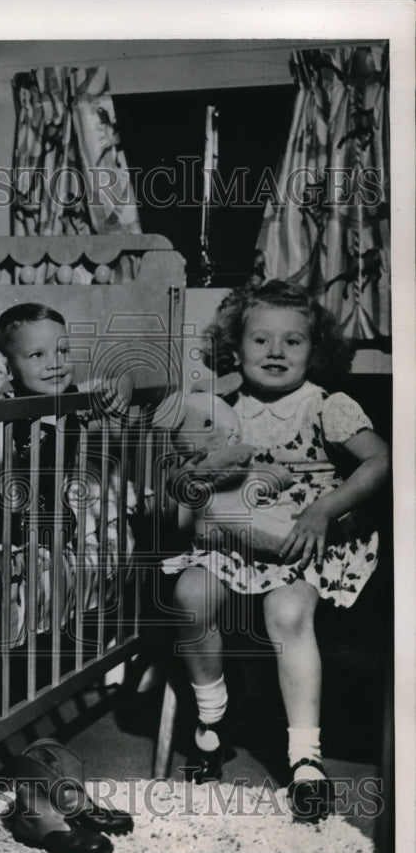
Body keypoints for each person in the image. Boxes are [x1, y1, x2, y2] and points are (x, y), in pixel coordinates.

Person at [161, 280, 390, 821]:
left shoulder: (327, 406)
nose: (277, 352)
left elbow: (380, 460)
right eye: (261, 340)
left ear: (316, 349)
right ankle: (213, 715)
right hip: (235, 534)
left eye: (294, 341)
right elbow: (185, 475)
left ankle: (305, 758)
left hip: (301, 535)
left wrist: (324, 510)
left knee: (284, 611)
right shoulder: (219, 409)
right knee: (188, 595)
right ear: (235, 349)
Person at [0, 302, 130, 545]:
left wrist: (126, 388)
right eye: (37, 355)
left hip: (53, 501)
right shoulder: (0, 407)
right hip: (7, 502)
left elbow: (117, 382)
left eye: (63, 351)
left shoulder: (73, 398)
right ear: (7, 369)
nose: (56, 363)